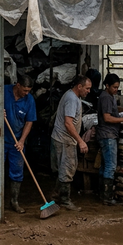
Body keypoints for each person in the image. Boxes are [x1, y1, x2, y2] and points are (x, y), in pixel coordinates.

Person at [0, 74, 37, 214]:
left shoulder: (29, 100)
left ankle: (14, 201)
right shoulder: (2, 91)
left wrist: (22, 141)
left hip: (16, 141)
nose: (26, 93)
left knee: (17, 171)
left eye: (29, 90)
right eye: (24, 90)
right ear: (17, 85)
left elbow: (29, 121)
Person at [51, 75, 92, 211]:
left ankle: (56, 196)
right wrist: (80, 141)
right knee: (67, 169)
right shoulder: (72, 99)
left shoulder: (72, 96)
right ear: (79, 87)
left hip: (62, 138)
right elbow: (68, 123)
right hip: (65, 140)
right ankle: (65, 200)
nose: (89, 91)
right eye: (87, 88)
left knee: (63, 169)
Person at [96, 73, 123, 205]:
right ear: (107, 85)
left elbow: (113, 110)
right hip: (108, 135)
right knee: (111, 166)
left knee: (105, 165)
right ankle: (107, 198)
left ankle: (101, 194)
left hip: (106, 135)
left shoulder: (109, 96)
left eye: (117, 87)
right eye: (114, 87)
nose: (116, 90)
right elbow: (107, 117)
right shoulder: (106, 97)